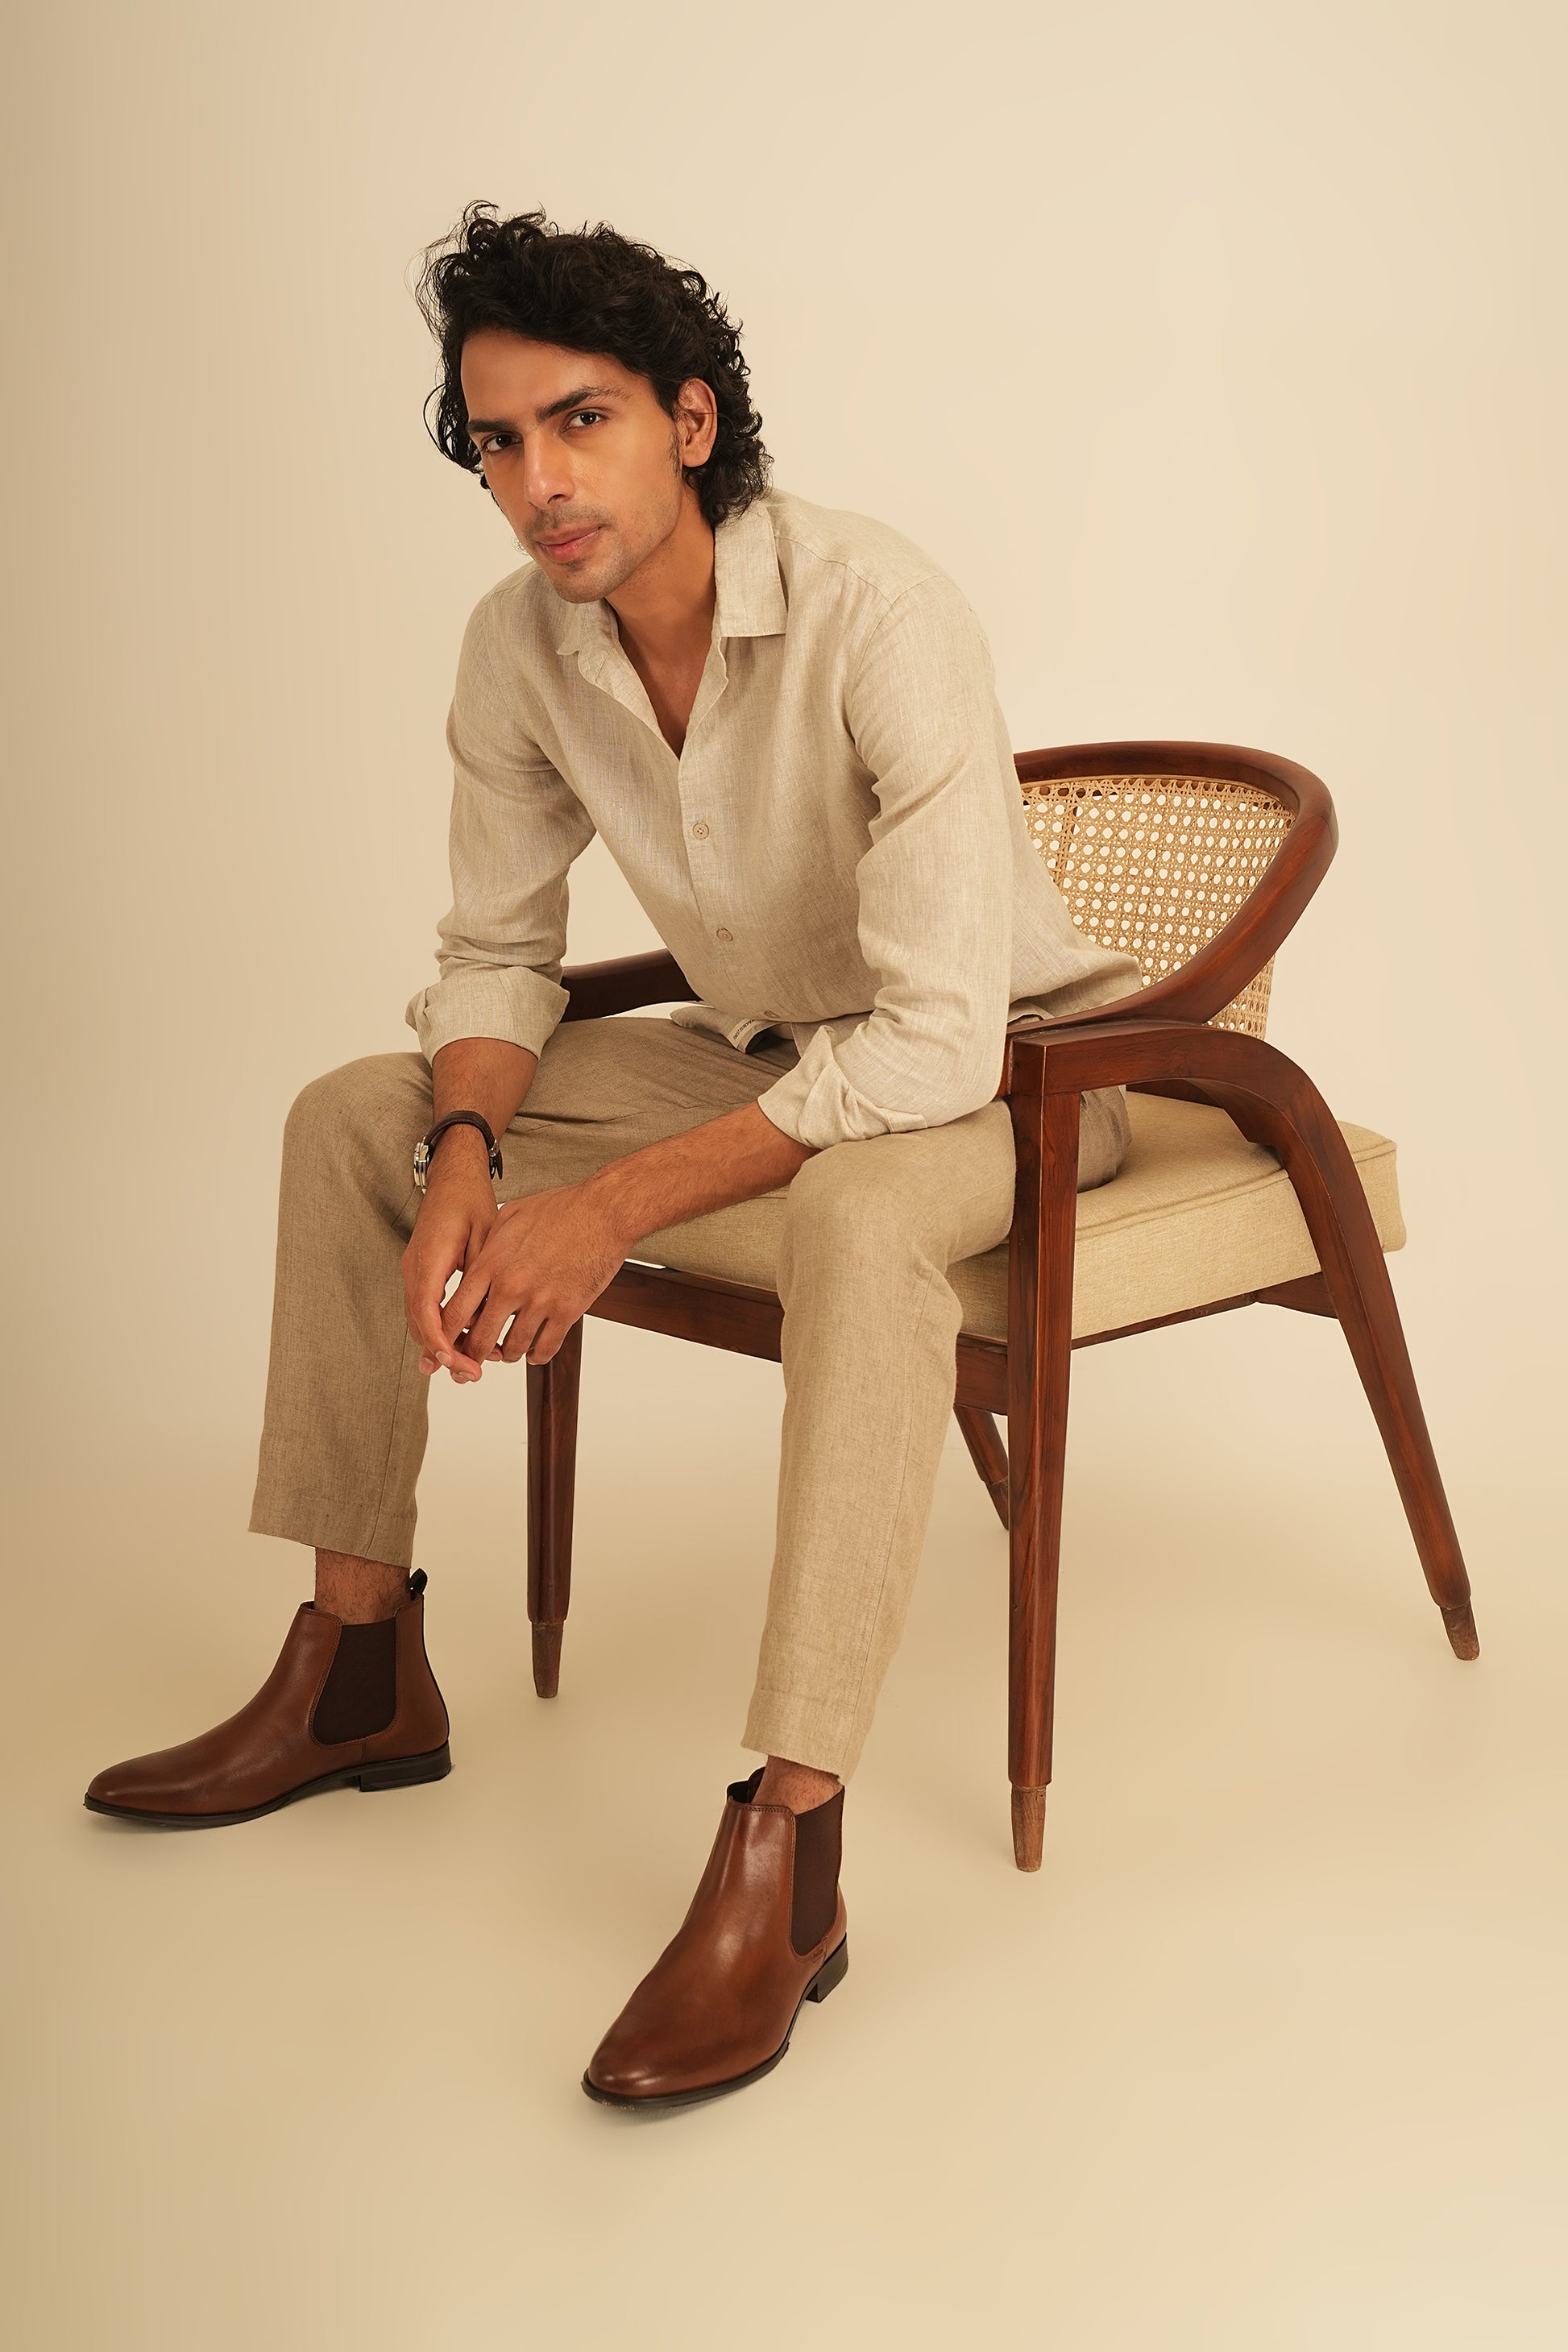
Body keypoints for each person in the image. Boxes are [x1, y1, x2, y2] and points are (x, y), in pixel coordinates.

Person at [85, 204, 1140, 2110]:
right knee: (356, 1111)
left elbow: (926, 1039)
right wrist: (480, 1150)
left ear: (690, 418)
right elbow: (497, 950)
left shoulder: (876, 610)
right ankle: (355, 1665)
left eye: (577, 423)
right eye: (497, 443)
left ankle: (789, 1838)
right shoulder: (520, 648)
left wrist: (612, 1204)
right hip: (762, 1055)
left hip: (1023, 1078)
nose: (536, 483)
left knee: (862, 1200)